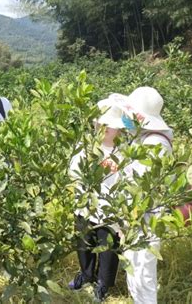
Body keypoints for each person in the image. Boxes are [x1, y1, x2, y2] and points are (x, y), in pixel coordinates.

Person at [111, 86, 173, 304]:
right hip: (136, 216)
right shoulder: (142, 138)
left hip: (144, 217)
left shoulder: (155, 143)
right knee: (134, 268)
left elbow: (143, 189)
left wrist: (127, 218)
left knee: (143, 272)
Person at [68, 98, 124, 302]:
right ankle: (86, 275)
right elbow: (73, 173)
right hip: (85, 207)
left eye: (110, 125)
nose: (105, 128)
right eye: (102, 124)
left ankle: (103, 284)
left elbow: (130, 182)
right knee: (84, 245)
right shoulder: (85, 147)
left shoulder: (125, 152)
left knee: (108, 248)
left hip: (110, 211)